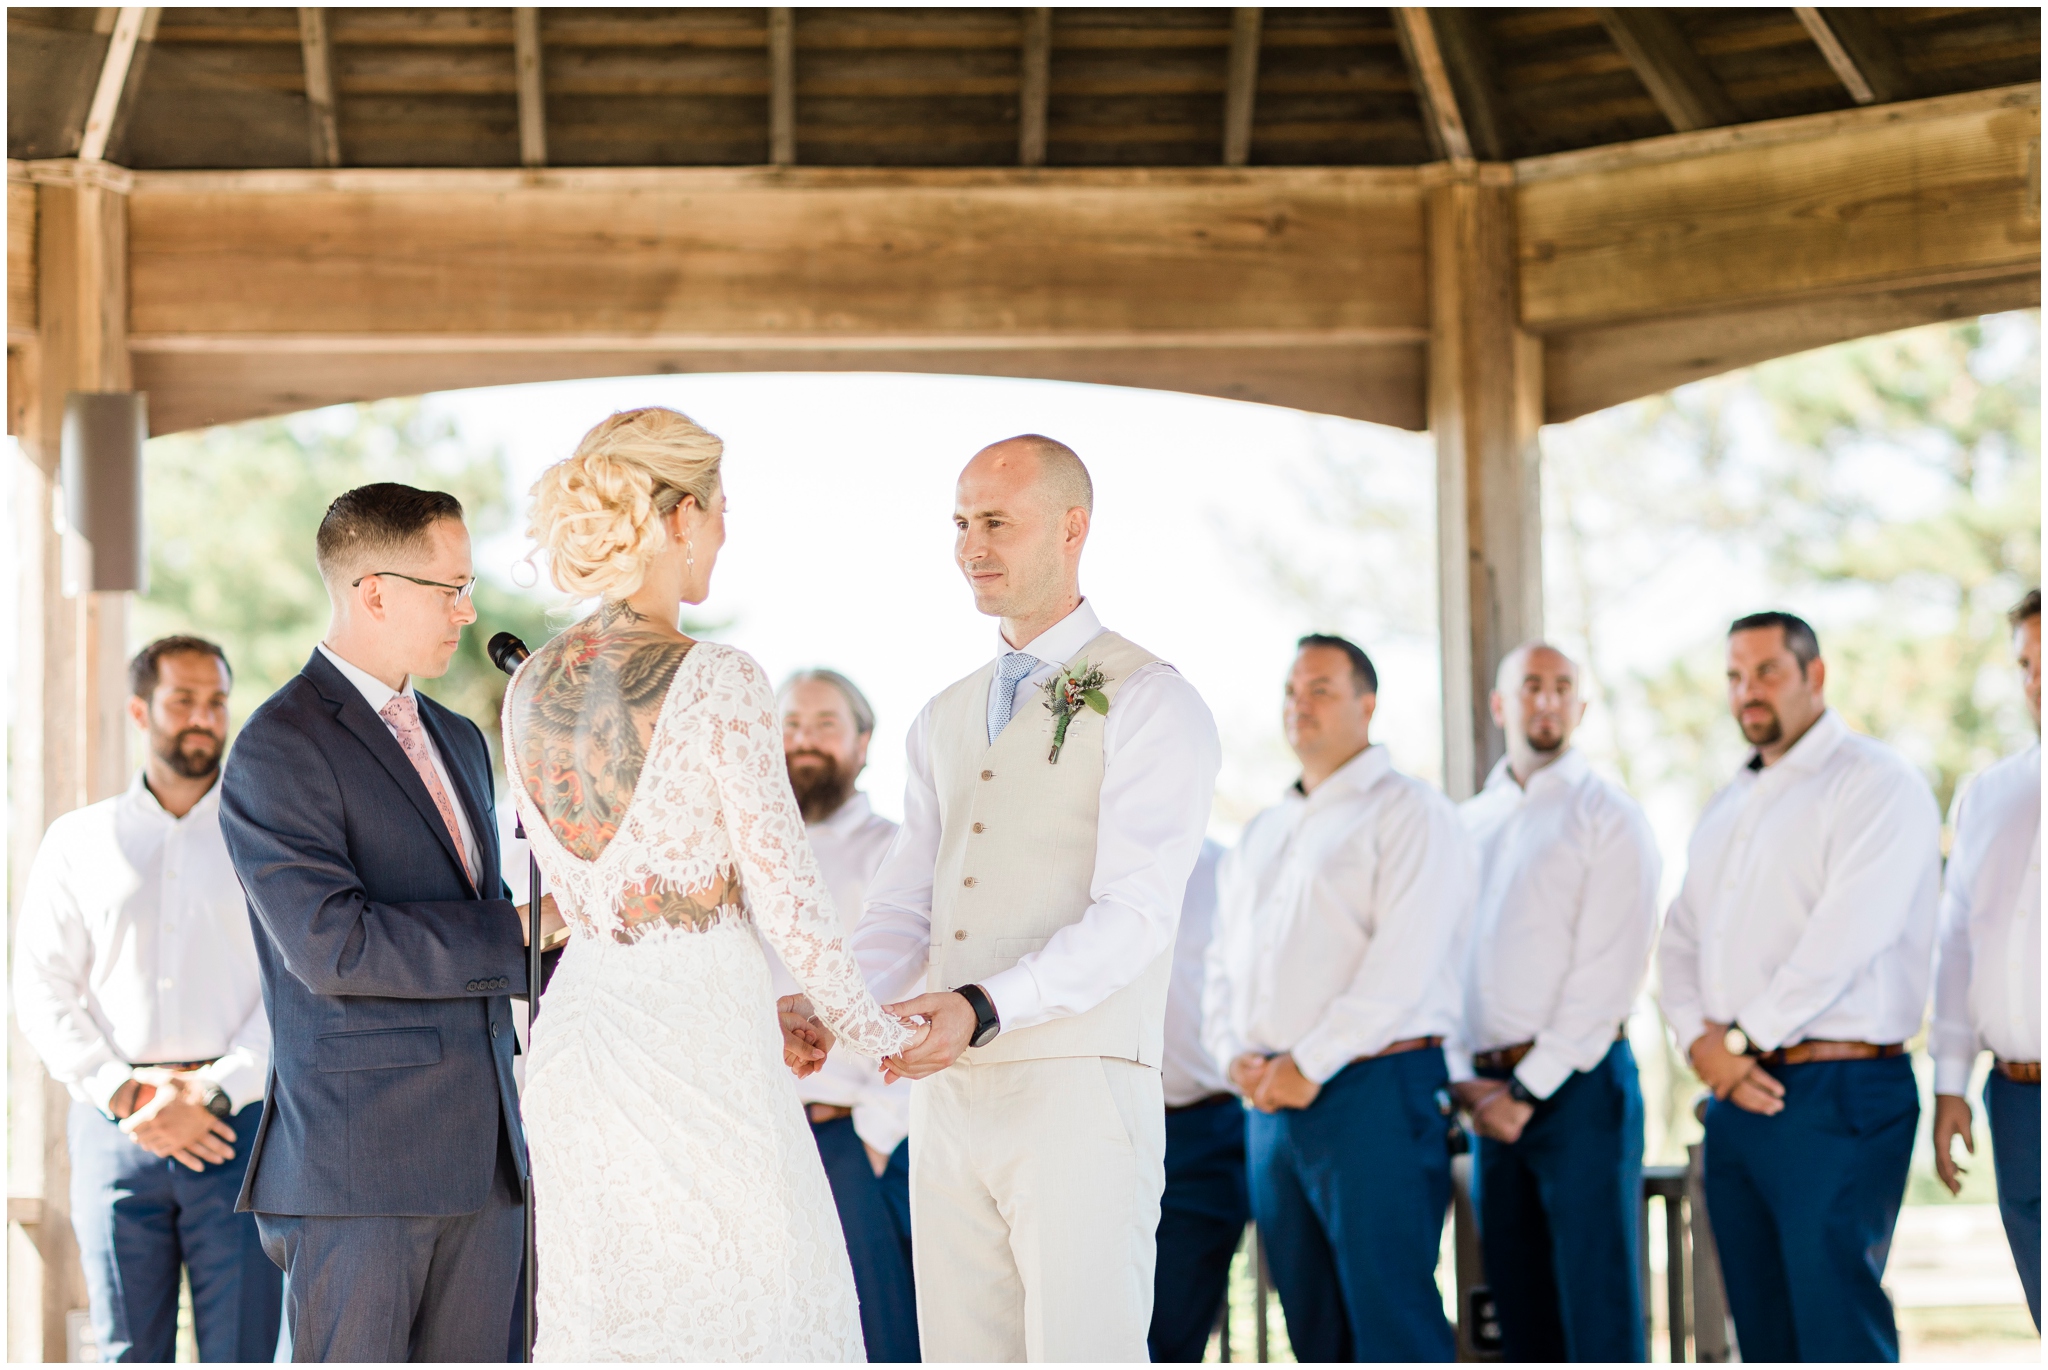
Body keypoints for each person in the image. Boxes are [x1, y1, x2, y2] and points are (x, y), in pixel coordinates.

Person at [502, 407, 920, 1362]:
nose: (727, 530)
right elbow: (791, 900)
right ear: (680, 515)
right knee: (759, 1315)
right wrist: (882, 1035)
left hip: (582, 1038)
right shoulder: (721, 678)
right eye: (723, 506)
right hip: (702, 1045)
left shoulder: (527, 688)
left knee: (614, 1322)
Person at [851, 434, 1221, 1362]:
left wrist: (983, 1007)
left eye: (997, 523)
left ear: (1071, 528)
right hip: (949, 1101)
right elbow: (906, 903)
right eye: (963, 523)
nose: (972, 546)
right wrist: (840, 1006)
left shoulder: (1150, 699)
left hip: (1081, 1087)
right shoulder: (942, 712)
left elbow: (1136, 915)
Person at [219, 483, 561, 1361]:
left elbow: (492, 925)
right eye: (449, 588)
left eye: (469, 584)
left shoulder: (460, 735)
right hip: (358, 1168)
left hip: (490, 1162)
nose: (469, 609)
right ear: (373, 590)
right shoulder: (278, 743)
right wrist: (527, 928)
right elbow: (335, 944)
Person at [1659, 610, 1940, 1363]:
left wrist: (1740, 1040)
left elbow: (1847, 936)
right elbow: (1681, 936)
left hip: (1840, 1092)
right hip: (1736, 1097)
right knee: (1763, 1333)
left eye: (1767, 672)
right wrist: (1699, 1043)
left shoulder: (1876, 782)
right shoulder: (1727, 805)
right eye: (1735, 676)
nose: (1748, 692)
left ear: (1814, 676)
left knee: (1835, 1326)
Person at [1203, 633, 1473, 1363]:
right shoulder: (1262, 830)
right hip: (1269, 1105)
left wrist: (1308, 1062)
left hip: (1374, 1094)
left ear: (1367, 702)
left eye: (1321, 688)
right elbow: (1223, 963)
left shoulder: (1411, 812)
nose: (1301, 705)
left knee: (1394, 1321)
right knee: (1311, 1326)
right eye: (1292, 691)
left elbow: (1402, 967)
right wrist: (1235, 1058)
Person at [15, 636, 281, 1363]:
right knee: (127, 1353)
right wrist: (126, 1093)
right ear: (141, 709)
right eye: (182, 700)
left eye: (217, 701)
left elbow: (292, 983)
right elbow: (41, 986)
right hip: (115, 1134)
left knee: (244, 1352)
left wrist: (214, 1090)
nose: (203, 717)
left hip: (238, 1134)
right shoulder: (78, 842)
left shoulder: (266, 840)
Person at [1449, 642, 1660, 1362]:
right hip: (1485, 1100)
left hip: (1579, 1093)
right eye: (1530, 686)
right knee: (1518, 1314)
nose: (1546, 700)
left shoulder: (1610, 815)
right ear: (1501, 704)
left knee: (1597, 1312)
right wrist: (1468, 1085)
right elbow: (1440, 963)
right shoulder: (1465, 823)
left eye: (1562, 687)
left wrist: (1525, 1090)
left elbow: (1609, 972)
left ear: (1580, 707)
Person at [771, 668, 919, 1363]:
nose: (805, 741)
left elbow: (928, 987)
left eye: (826, 725)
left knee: (878, 1343)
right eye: (791, 725)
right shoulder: (745, 856)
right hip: (759, 1139)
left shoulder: (898, 852)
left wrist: (877, 1135)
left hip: (851, 1144)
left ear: (863, 742)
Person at [1931, 589, 2041, 1328]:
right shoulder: (1988, 795)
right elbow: (1956, 948)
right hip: (2017, 1098)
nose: (2039, 679)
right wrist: (1949, 1084)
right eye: (2028, 663)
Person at [1148, 838, 1248, 1364]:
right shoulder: (1074, 855)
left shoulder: (1231, 869)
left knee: (1169, 1337)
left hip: (1198, 1129)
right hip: (1089, 1126)